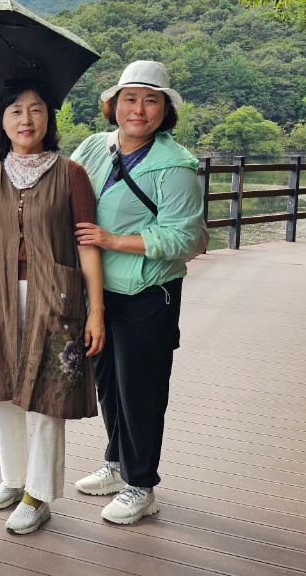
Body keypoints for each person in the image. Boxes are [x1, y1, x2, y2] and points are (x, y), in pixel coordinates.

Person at [0, 80, 105, 536]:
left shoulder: (71, 172)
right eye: (16, 111)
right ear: (1, 121)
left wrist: (96, 310)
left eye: (36, 109)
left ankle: (38, 495)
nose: (26, 119)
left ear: (48, 118)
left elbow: (87, 244)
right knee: (0, 389)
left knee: (48, 396)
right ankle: (14, 479)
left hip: (55, 296)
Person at [69, 60, 206, 525]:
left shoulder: (176, 166)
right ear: (113, 104)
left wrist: (113, 240)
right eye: (130, 98)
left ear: (165, 110)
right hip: (97, 292)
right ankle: (116, 461)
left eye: (151, 101)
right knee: (108, 383)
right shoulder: (94, 147)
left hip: (148, 294)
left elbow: (186, 238)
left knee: (140, 390)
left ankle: (142, 485)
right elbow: (64, 193)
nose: (139, 109)